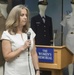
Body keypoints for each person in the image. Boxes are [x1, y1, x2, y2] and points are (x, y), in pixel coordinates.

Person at [1, 5, 40, 75]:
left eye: (26, 15)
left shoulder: (30, 32)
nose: (25, 17)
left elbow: (34, 53)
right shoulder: (7, 34)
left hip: (29, 71)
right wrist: (22, 48)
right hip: (13, 72)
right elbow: (7, 57)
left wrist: (37, 70)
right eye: (22, 15)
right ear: (15, 17)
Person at [60, 0, 74, 75]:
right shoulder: (67, 16)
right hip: (69, 38)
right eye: (72, 4)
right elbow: (62, 26)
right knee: (69, 59)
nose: (73, 5)